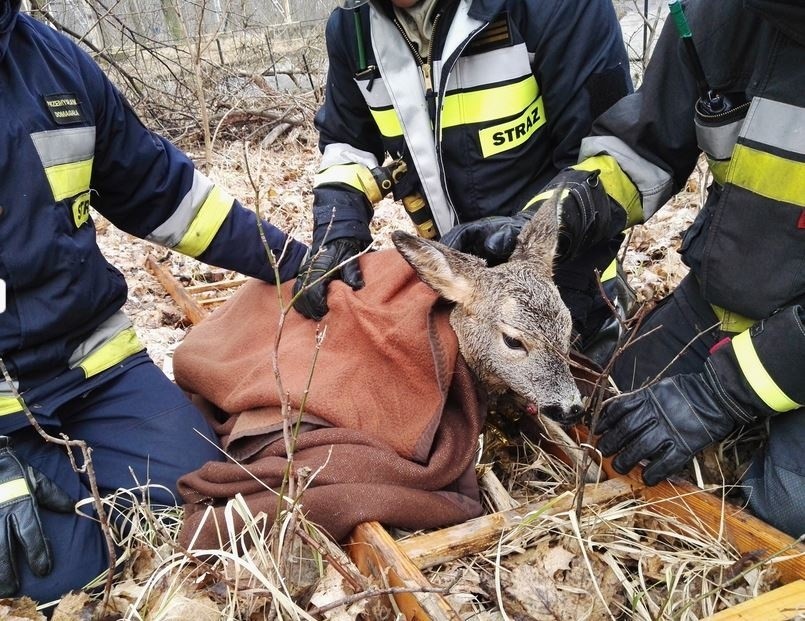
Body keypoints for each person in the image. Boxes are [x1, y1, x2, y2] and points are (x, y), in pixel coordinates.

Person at [444, 0, 805, 537]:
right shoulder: (714, 17)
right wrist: (553, 218)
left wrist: (720, 392)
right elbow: (642, 150)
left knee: (777, 520)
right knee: (602, 419)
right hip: (723, 297)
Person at [0, 0, 307, 603]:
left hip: (88, 367)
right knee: (61, 570)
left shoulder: (53, 61)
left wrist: (298, 259)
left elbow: (159, 192)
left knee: (205, 493)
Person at [292, 0, 633, 338]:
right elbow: (347, 146)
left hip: (567, 285)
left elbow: (604, 157)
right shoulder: (353, 29)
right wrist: (338, 229)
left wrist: (535, 250)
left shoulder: (557, 8)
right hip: (461, 290)